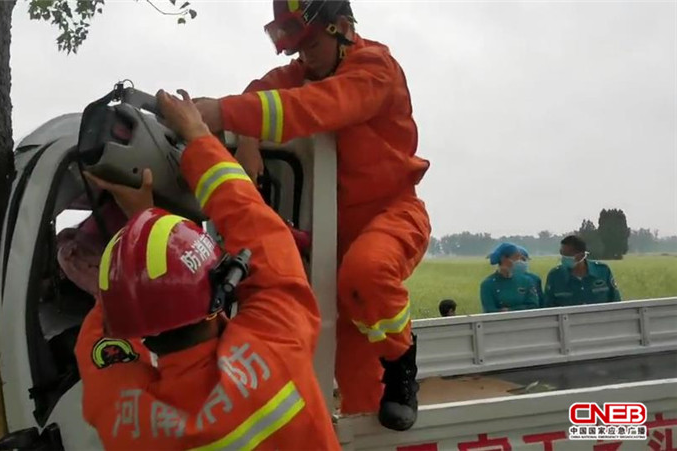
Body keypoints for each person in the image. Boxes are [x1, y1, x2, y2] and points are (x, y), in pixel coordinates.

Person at [193, 0, 431, 431]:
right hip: (334, 241)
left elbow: (313, 107)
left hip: (393, 213)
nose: (304, 57)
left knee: (367, 273)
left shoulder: (375, 68)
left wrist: (223, 114)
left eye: (311, 45)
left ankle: (402, 364)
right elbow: (261, 91)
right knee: (361, 395)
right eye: (297, 49)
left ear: (342, 28)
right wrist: (247, 134)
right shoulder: (307, 71)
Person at [74, 90, 341, 450]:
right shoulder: (275, 349)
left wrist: (137, 230)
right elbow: (265, 237)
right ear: (219, 291)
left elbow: (107, 331)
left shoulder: (122, 419)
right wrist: (198, 138)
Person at [544, 235, 622, 307]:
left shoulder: (603, 271)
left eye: (567, 255)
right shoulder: (555, 276)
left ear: (581, 256)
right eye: (562, 254)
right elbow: (548, 308)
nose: (563, 258)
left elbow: (616, 301)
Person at [480, 242, 540, 313]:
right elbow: (489, 310)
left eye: (521, 258)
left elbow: (533, 305)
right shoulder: (488, 284)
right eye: (516, 258)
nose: (519, 261)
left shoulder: (527, 281)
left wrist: (511, 310)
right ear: (503, 259)